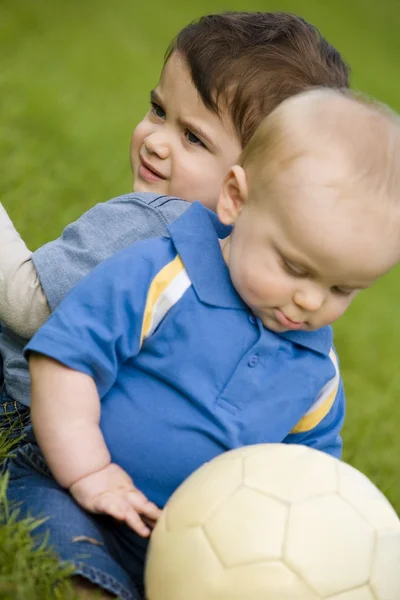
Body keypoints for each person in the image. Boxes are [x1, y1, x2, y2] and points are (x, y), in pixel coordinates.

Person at [6, 89, 400, 600]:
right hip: (68, 484)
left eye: (341, 289)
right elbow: (65, 360)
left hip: (190, 543)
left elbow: (305, 484)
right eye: (294, 267)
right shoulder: (162, 277)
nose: (308, 300)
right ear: (235, 199)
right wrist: (90, 472)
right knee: (75, 560)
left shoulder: (316, 373)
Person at [0, 12, 350, 441]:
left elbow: (28, 305)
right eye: (158, 110)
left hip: (25, 407)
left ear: (249, 185)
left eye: (194, 138)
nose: (155, 140)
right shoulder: (259, 272)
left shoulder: (157, 220)